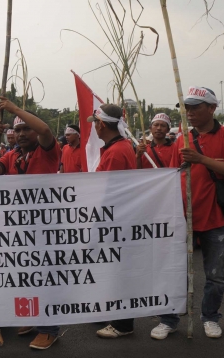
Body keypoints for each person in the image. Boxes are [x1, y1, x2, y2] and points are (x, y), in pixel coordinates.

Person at [151, 86, 224, 339]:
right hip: (182, 218)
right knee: (175, 272)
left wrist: (202, 160)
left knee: (215, 276)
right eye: (186, 108)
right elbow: (171, 175)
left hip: (215, 219)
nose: (189, 112)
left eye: (195, 107)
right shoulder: (182, 138)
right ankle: (169, 319)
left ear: (212, 108)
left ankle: (210, 318)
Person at [0, 96, 60, 350]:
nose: (22, 133)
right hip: (19, 227)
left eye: (26, 128)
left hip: (46, 226)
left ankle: (49, 329)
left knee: (46, 278)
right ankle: (31, 317)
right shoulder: (12, 155)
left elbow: (46, 130)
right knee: (26, 275)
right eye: (17, 129)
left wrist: (14, 109)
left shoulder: (48, 151)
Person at [87, 104, 137, 339]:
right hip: (113, 219)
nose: (94, 127)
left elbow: (110, 193)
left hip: (113, 220)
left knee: (118, 270)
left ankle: (123, 324)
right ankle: (110, 312)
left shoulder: (117, 151)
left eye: (95, 122)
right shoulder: (117, 147)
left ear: (102, 124)